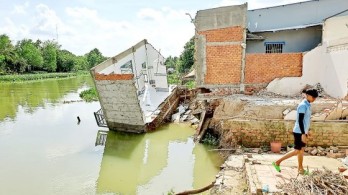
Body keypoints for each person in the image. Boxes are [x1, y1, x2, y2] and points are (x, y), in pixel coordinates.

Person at [272, 88, 319, 175]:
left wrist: (306, 131)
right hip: (299, 132)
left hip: (303, 131)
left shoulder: (308, 105)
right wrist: (303, 134)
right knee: (297, 150)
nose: (314, 99)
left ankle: (300, 169)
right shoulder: (303, 105)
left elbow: (305, 120)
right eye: (313, 97)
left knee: (301, 150)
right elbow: (300, 120)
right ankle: (277, 162)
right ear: (308, 96)